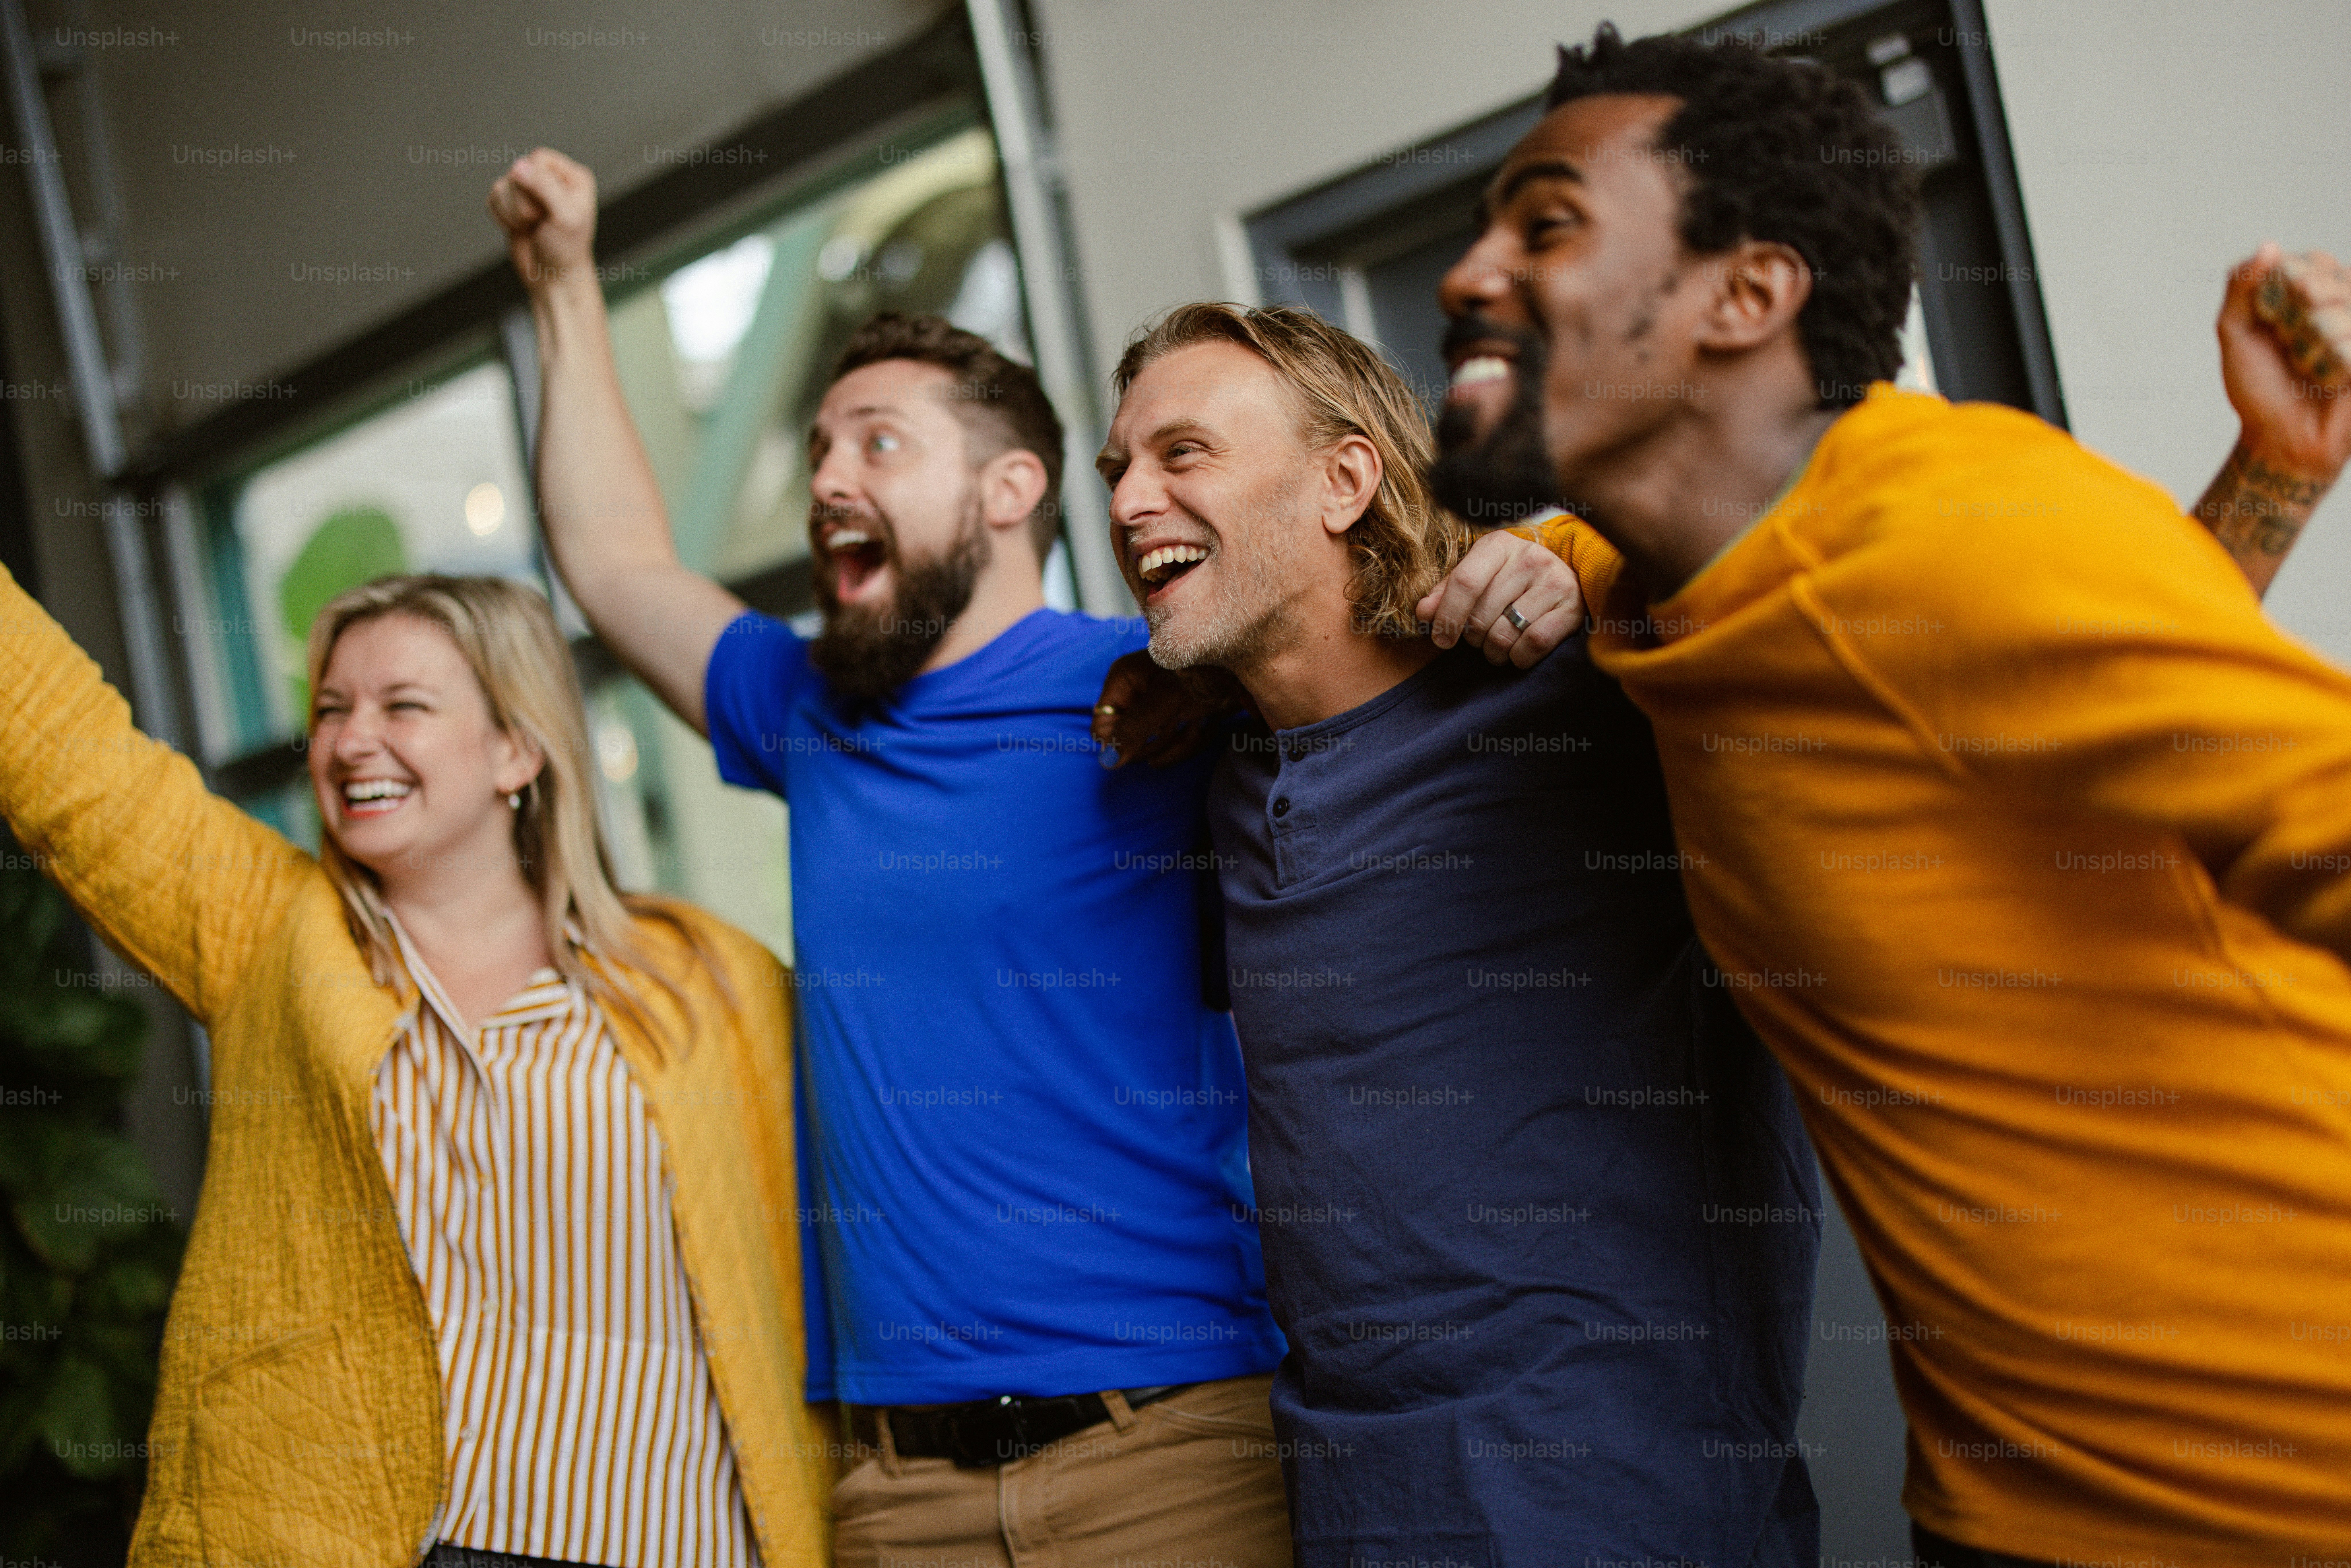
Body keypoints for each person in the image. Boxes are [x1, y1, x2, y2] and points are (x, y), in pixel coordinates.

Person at [486, 147, 1584, 1566]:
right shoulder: (808, 707)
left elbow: (1374, 636)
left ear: (1010, 487)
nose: (827, 478)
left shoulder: (1171, 679)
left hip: (1172, 1446)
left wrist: (1548, 559)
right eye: (816, 449)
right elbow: (615, 559)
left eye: (875, 442)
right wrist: (565, 281)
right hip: (896, 1485)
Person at [1426, 24, 2351, 1567]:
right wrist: (2273, 477)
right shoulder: (1663, 574)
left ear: (1747, 294)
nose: (1468, 272)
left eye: (1547, 223)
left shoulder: (1949, 519)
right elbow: (2035, 744)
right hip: (2010, 1515)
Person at [1093, 299, 1822, 1565]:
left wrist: (1575, 549)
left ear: (1344, 480)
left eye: (1181, 454)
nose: (1126, 501)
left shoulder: (1574, 684)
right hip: (1356, 1503)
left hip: (1631, 1501)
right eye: (1116, 471)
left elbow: (1782, 539)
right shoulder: (1215, 767)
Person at [0, 569, 830, 1568]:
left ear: (516, 749)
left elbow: (851, 1242)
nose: (350, 741)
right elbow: (66, 752)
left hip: (678, 1545)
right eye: (332, 710)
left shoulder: (707, 985)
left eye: (405, 706)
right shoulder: (275, 935)